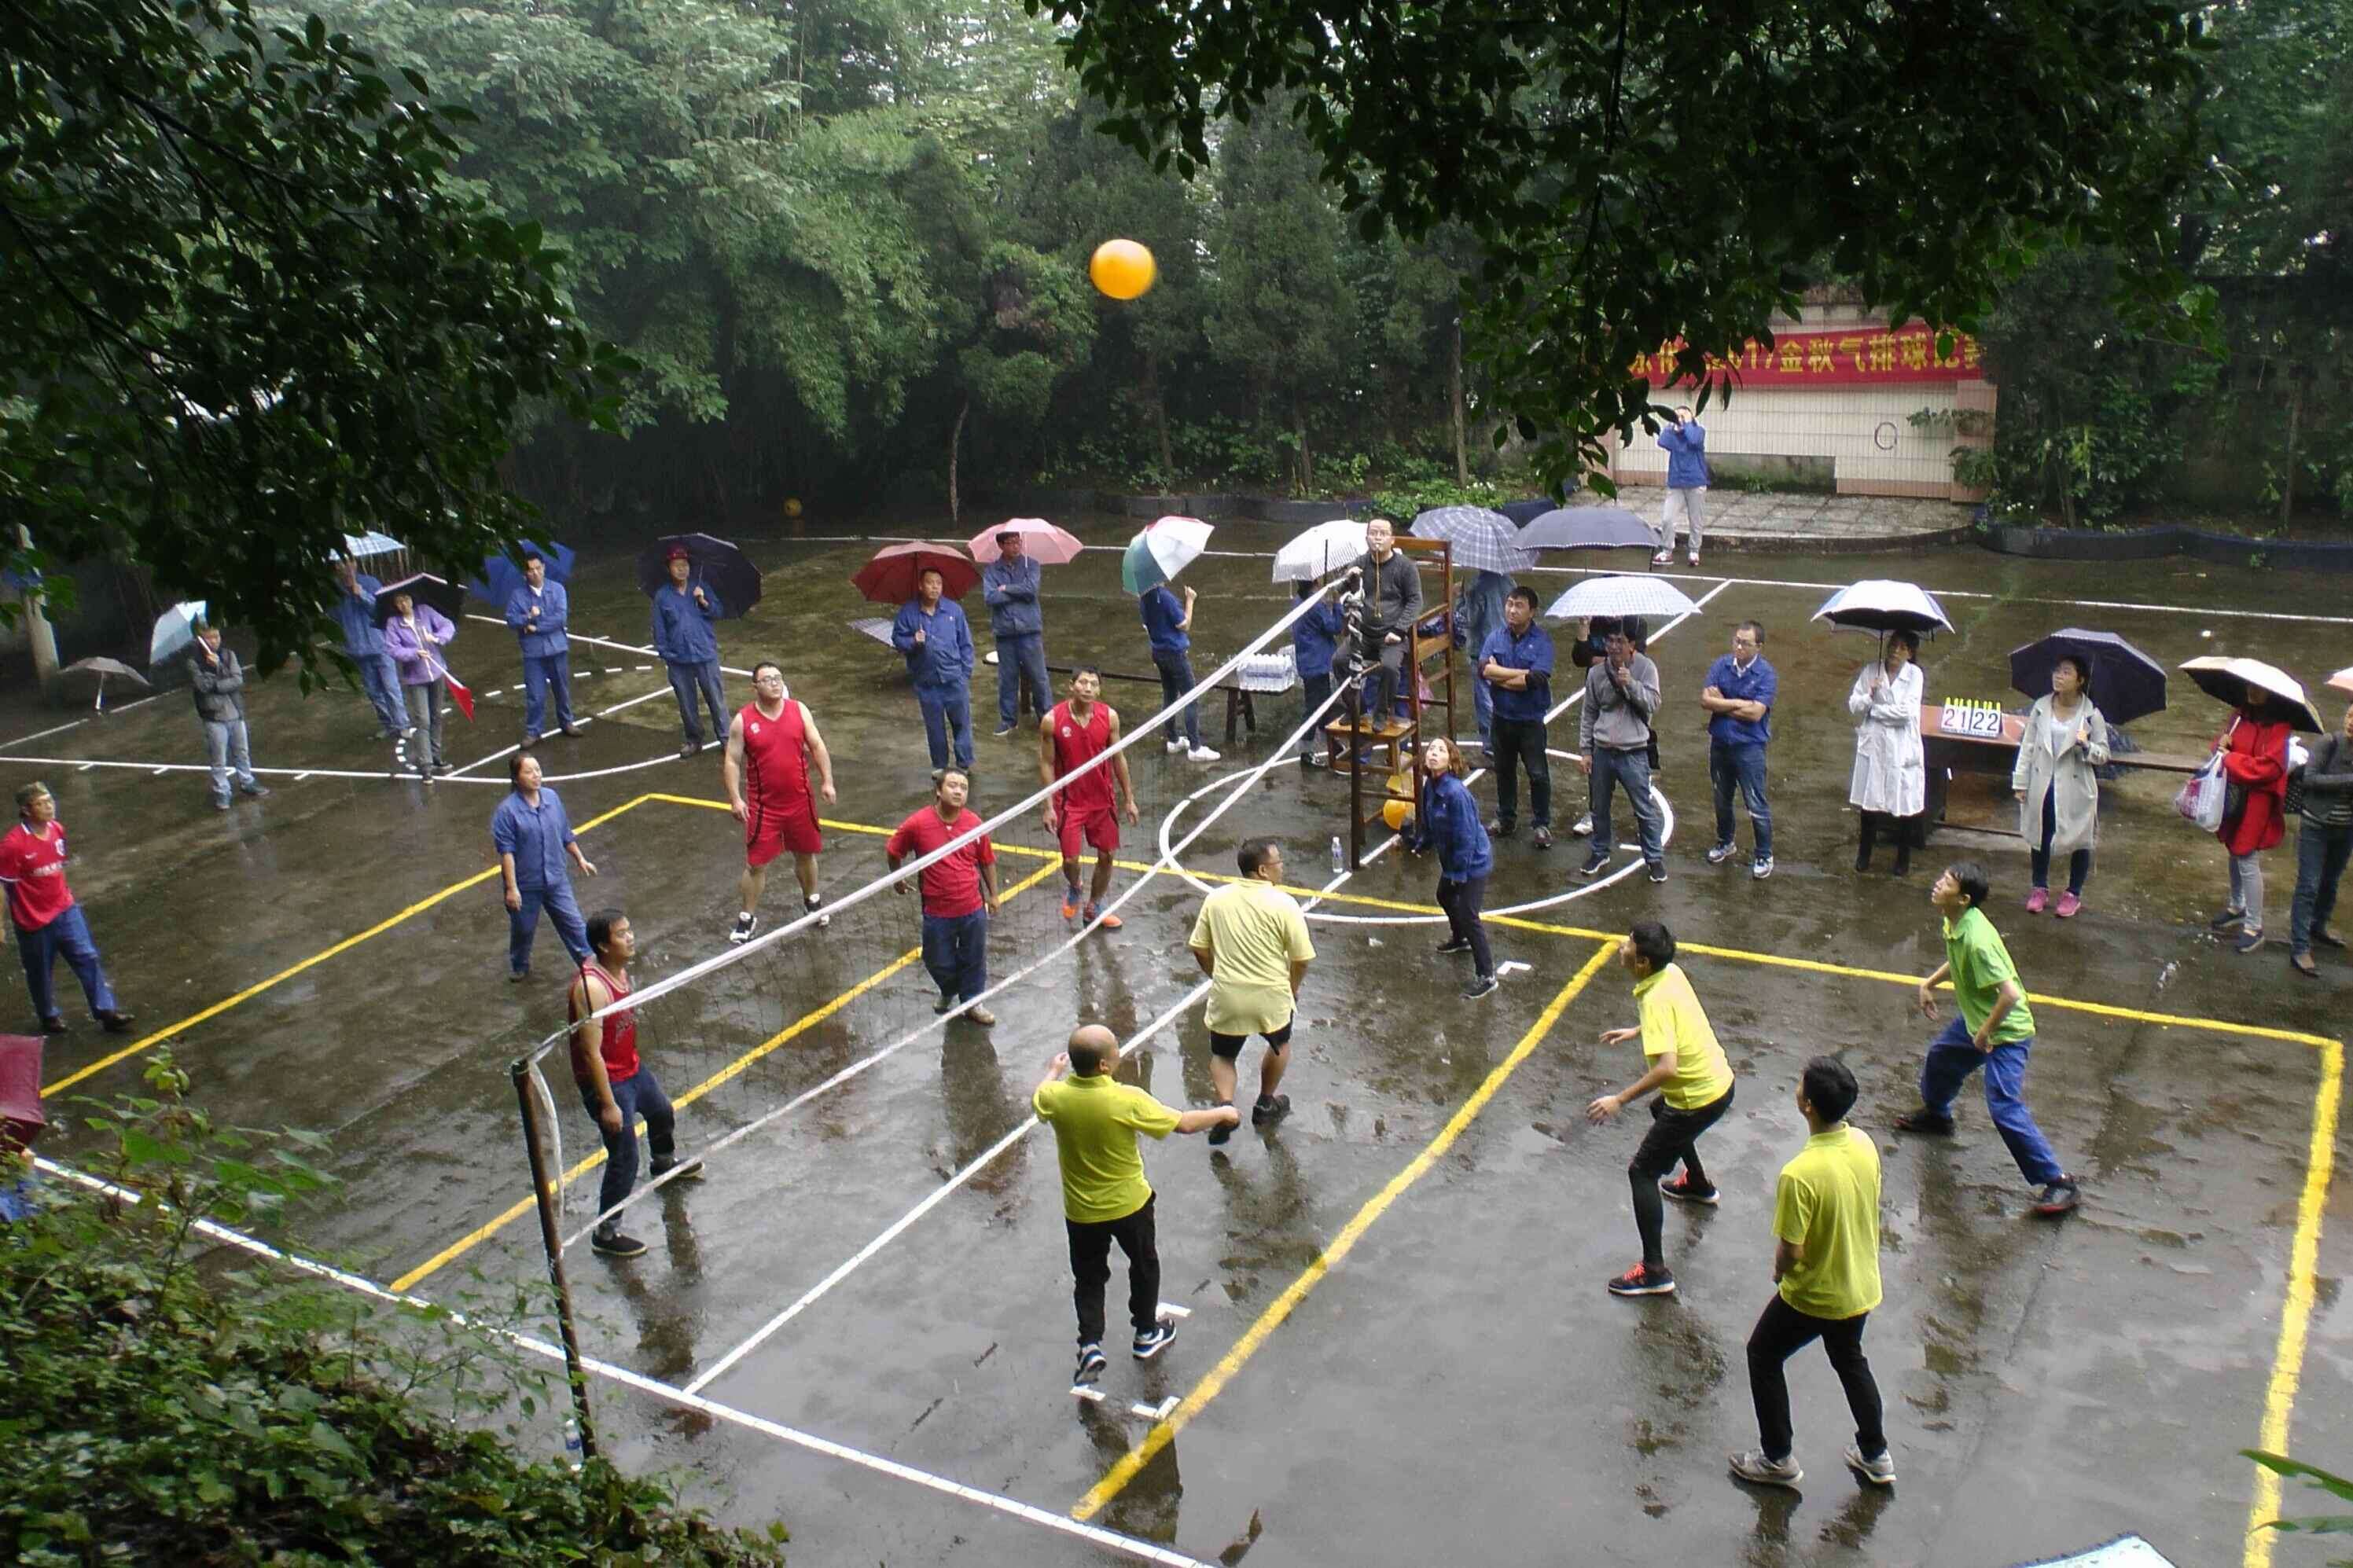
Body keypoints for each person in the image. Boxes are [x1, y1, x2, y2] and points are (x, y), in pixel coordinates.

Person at [1033, 1023, 1238, 1384]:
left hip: (1082, 1212)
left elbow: (1040, 1096)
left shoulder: (1057, 1098)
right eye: (1114, 1051)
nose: (1120, 1054)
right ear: (1102, 1067)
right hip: (1130, 1205)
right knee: (1144, 1265)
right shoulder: (1126, 1099)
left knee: (1089, 1278)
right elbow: (1184, 1124)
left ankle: (1090, 1343)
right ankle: (1146, 1332)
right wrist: (1224, 1113)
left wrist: (1053, 1070)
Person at [1729, 1056, 1893, 1492]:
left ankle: (1776, 1457)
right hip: (1860, 1286)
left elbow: (1793, 1250)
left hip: (1816, 1296)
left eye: (1800, 1087)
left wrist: (1779, 1273)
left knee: (1763, 1355)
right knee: (1850, 1360)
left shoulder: (1799, 1175)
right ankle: (1876, 1454)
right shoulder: (1862, 1143)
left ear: (1808, 1107)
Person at [1894, 861, 2080, 1217]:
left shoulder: (1978, 939)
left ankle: (2059, 1182)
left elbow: (2009, 994)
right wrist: (1929, 983)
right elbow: (1955, 957)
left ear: (1963, 898)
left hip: (2006, 1032)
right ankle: (1937, 1116)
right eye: (1942, 877)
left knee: (2003, 1105)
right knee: (1941, 1058)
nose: (1937, 885)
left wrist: (1983, 1032)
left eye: (1946, 882)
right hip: (1979, 1022)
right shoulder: (1956, 921)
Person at [1586, 921, 1735, 1298]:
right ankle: (1697, 1185)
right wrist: (1639, 1031)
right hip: (1720, 1084)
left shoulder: (1654, 998)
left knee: (1642, 1172)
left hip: (1696, 1099)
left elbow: (1667, 1068)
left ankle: (1654, 1270)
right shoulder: (1670, 973)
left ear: (1642, 962)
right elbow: (1676, 1017)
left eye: (1628, 944)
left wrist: (1618, 1099)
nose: (1621, 946)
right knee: (1660, 1109)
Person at [569, 909, 702, 1260]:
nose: (630, 938)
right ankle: (607, 1233)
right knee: (624, 1155)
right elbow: (591, 1052)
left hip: (631, 1068)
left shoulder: (620, 969)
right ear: (602, 945)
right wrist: (608, 1103)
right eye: (621, 934)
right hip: (608, 1081)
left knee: (661, 1113)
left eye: (630, 930)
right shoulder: (593, 989)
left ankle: (664, 1163)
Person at [1188, 839, 1315, 1145]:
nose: (1282, 867)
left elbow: (1199, 947)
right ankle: (1266, 1102)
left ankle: (1227, 1108)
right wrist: (1292, 987)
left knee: (1222, 1055)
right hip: (1270, 997)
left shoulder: (1216, 900)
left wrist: (1216, 975)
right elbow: (1302, 958)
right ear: (1262, 870)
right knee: (1279, 1045)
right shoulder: (1284, 904)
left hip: (1229, 996)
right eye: (1278, 862)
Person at [0, 783, 134, 1035]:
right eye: (41, 803)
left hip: (65, 909)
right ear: (26, 810)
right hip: (33, 922)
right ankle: (48, 1015)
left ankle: (106, 1011)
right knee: (40, 972)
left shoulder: (57, 830)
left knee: (87, 957)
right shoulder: (13, 846)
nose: (50, 806)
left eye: (50, 800)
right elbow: (2, 885)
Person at [722, 662, 836, 944]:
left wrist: (827, 781)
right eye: (767, 679)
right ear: (755, 687)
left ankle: (812, 902)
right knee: (756, 864)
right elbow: (732, 760)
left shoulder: (799, 710)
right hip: (764, 808)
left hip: (800, 800)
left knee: (806, 854)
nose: (774, 683)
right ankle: (747, 917)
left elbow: (818, 745)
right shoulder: (744, 720)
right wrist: (736, 798)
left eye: (778, 678)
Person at [886, 768, 1002, 1026]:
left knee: (974, 957)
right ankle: (949, 989)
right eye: (952, 785)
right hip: (937, 911)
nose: (959, 791)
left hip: (972, 908)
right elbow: (894, 851)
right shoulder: (918, 823)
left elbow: (987, 861)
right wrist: (897, 879)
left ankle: (973, 1002)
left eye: (964, 787)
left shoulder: (974, 823)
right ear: (939, 790)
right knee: (936, 959)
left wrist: (994, 895)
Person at [1039, 667, 1140, 930]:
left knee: (1106, 855)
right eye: (1082, 683)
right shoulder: (1052, 720)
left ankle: (1094, 906)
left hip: (1101, 800)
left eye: (1093, 684)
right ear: (1071, 686)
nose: (1088, 688)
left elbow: (1118, 757)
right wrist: (1048, 805)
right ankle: (1075, 886)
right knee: (1071, 860)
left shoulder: (1109, 717)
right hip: (1068, 802)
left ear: (1099, 690)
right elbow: (1047, 763)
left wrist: (1129, 798)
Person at [2010, 653, 2109, 917]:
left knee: (2080, 839)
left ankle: (2073, 893)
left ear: (2080, 680)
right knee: (2039, 834)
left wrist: (2086, 744)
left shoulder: (2092, 715)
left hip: (2076, 787)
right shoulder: (2041, 707)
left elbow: (2103, 754)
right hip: (2043, 782)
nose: (2059, 676)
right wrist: (2021, 781)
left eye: (2066, 672)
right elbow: (2028, 746)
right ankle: (2039, 887)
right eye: (2057, 670)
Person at [1402, 737, 1498, 999]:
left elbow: (1466, 836)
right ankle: (1460, 939)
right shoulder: (1430, 787)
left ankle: (1487, 975)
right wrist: (1422, 842)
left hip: (1472, 864)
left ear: (1451, 760)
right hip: (1455, 862)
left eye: (1441, 751)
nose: (1433, 753)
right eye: (1431, 749)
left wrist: (1458, 874)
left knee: (1469, 914)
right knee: (1444, 895)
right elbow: (1431, 823)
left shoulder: (1456, 794)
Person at [491, 751, 596, 982]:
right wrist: (512, 888)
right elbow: (506, 852)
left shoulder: (552, 798)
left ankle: (590, 966)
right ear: (516, 778)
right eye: (529, 772)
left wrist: (580, 858)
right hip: (526, 885)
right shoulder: (507, 812)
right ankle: (520, 964)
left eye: (537, 769)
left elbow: (565, 834)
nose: (536, 775)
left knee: (574, 924)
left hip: (556, 878)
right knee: (524, 929)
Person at [1575, 623, 1666, 884]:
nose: (1614, 646)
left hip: (1633, 753)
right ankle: (1600, 852)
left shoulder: (1646, 669)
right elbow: (1589, 713)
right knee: (1598, 807)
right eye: (1610, 641)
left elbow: (1653, 704)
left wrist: (1632, 685)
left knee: (1644, 809)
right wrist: (1586, 750)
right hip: (1603, 751)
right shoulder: (1596, 673)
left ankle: (1654, 858)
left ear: (1632, 645)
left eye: (1620, 641)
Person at [2208, 689, 2293, 955]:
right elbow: (2220, 748)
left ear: (2272, 694)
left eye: (2259, 689)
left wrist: (2231, 758)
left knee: (2246, 855)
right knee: (2233, 849)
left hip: (2258, 800)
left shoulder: (2280, 727)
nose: (2251, 692)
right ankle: (2237, 906)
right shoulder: (2239, 716)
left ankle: (2254, 927)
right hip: (2234, 793)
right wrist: (2220, 745)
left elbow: (2270, 767)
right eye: (2249, 687)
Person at [1478, 586, 1554, 848]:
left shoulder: (1542, 641)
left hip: (1530, 720)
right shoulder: (1495, 636)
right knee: (1504, 771)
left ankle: (1542, 823)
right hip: (1501, 718)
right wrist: (1516, 675)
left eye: (1519, 605)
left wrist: (1500, 674)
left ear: (1532, 611)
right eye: (1509, 603)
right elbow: (1483, 671)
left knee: (1537, 774)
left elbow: (1535, 679)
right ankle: (1506, 817)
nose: (1511, 609)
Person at [1700, 620, 1775, 879]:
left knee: (1755, 801)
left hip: (1749, 748)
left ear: (1759, 647)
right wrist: (1739, 705)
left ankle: (1764, 853)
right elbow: (1706, 700)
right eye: (1736, 641)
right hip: (1720, 744)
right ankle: (1725, 841)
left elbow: (1756, 713)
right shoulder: (1721, 665)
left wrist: (1724, 703)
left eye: (1745, 643)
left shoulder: (1766, 674)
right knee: (1721, 798)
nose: (1739, 647)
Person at [1847, 630, 1925, 876]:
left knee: (1902, 802)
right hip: (1875, 745)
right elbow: (1854, 705)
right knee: (1869, 804)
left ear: (1910, 653)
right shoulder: (1872, 671)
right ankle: (1864, 854)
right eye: (1893, 645)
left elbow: (1906, 713)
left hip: (1902, 747)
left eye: (1902, 648)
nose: (1895, 651)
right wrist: (1870, 694)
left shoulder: (1915, 675)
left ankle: (1903, 857)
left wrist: (1877, 711)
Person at [2289, 700, 2353, 979]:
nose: (2351, 721)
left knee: (2331, 881)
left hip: (2346, 829)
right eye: (2350, 715)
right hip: (2316, 826)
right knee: (2309, 884)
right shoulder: (2329, 743)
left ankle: (2319, 927)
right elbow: (2310, 780)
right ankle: (2300, 946)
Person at [892, 567, 977, 774]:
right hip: (927, 681)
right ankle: (940, 765)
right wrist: (913, 641)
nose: (935, 588)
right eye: (930, 583)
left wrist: (965, 673)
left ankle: (963, 764)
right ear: (921, 585)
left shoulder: (953, 611)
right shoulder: (908, 612)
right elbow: (897, 639)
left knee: (962, 723)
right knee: (935, 728)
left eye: (938, 583)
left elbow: (966, 644)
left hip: (954, 678)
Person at [649, 545, 727, 761]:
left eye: (685, 565)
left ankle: (725, 737)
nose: (682, 569)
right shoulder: (662, 596)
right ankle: (694, 739)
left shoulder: (701, 587)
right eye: (677, 566)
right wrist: (667, 653)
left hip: (705, 654)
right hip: (678, 658)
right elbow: (659, 628)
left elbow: (718, 612)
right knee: (686, 702)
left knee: (716, 698)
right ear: (669, 568)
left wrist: (704, 601)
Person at [1345, 519, 1422, 731]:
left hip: (1391, 637)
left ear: (1392, 539)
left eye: (1383, 533)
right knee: (1338, 661)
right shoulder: (1360, 563)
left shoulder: (1405, 567)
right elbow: (1344, 592)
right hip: (1364, 634)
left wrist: (1399, 630)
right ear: (1366, 537)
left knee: (1389, 668)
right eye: (1373, 533)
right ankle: (1355, 707)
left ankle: (1381, 712)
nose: (1378, 537)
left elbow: (1416, 600)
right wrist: (1349, 580)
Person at [186, 621, 270, 810]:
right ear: (201, 640)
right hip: (214, 717)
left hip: (235, 712)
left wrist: (218, 682)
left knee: (242, 751)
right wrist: (210, 669)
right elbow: (202, 687)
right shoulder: (194, 662)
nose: (215, 641)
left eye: (217, 636)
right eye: (210, 638)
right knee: (219, 758)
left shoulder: (228, 655)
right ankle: (222, 792)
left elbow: (237, 680)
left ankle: (247, 781)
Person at [1138, 578, 1219, 762]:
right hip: (1175, 654)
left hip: (1158, 653)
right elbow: (1184, 624)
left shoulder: (1143, 599)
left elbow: (1146, 626)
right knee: (1191, 698)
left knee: (1169, 695)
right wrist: (1190, 600)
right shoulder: (1165, 597)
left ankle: (1173, 739)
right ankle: (1195, 747)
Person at [983, 531, 1052, 739]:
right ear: (1001, 545)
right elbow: (990, 597)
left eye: (1018, 541)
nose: (1016, 546)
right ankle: (1007, 720)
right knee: (1007, 678)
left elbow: (1031, 591)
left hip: (1029, 630)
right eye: (1010, 542)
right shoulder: (992, 570)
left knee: (1039, 677)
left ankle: (1047, 716)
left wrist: (1006, 589)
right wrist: (1016, 592)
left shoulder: (1032, 565)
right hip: (1005, 632)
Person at [502, 551, 577, 744]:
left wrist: (535, 627)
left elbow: (560, 618)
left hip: (557, 647)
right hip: (533, 653)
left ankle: (567, 722)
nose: (535, 573)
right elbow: (511, 620)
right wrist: (528, 616)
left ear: (544, 568)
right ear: (525, 574)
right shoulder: (518, 595)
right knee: (535, 694)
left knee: (562, 689)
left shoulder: (558, 589)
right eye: (531, 570)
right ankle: (534, 730)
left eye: (538, 568)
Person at [382, 589, 458, 776]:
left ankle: (436, 756)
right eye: (399, 602)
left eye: (406, 599)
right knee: (423, 720)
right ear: (395, 604)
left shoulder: (425, 611)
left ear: (412, 599)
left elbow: (448, 625)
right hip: (416, 678)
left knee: (436, 716)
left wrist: (437, 638)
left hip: (436, 672)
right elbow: (393, 649)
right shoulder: (393, 623)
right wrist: (414, 653)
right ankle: (426, 764)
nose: (404, 605)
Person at [331, 556, 408, 738]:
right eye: (342, 563)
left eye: (350, 562)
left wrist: (362, 595)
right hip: (356, 648)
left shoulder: (370, 583)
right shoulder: (335, 591)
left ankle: (402, 724)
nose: (347, 567)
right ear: (336, 567)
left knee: (391, 687)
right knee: (373, 691)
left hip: (380, 645)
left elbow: (381, 612)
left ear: (355, 563)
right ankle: (389, 725)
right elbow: (334, 617)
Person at [1454, 567, 1513, 750]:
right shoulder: (1509, 581)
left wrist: (1460, 597)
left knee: (1486, 701)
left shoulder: (1477, 587)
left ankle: (1491, 749)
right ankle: (1507, 745)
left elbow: (1467, 620)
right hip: (1508, 646)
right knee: (1505, 696)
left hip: (1483, 651)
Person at [1291, 578, 1348, 766]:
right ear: (1315, 582)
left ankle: (1332, 742)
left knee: (1322, 704)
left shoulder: (1298, 602)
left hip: (1307, 662)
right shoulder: (1315, 606)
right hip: (1317, 664)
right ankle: (1306, 752)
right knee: (1315, 708)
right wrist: (1337, 604)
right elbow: (1335, 627)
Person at [1655, 405, 1708, 567]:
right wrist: (1671, 426)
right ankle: (1667, 551)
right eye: (1677, 416)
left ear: (1691, 418)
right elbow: (1662, 441)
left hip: (1696, 482)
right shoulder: (1673, 435)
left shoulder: (1698, 431)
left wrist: (1687, 424)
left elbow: (1693, 440)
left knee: (1695, 520)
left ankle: (1694, 551)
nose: (1679, 418)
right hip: (1676, 483)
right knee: (1667, 519)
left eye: (1683, 415)